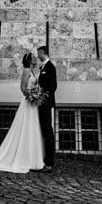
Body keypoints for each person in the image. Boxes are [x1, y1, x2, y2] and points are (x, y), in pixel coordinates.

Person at [36, 45, 57, 173]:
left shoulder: (50, 67)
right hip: (40, 103)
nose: (37, 55)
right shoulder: (42, 66)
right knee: (44, 131)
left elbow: (53, 86)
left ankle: (49, 163)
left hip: (45, 104)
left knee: (48, 131)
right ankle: (42, 160)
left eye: (39, 53)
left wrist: (43, 98)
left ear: (44, 53)